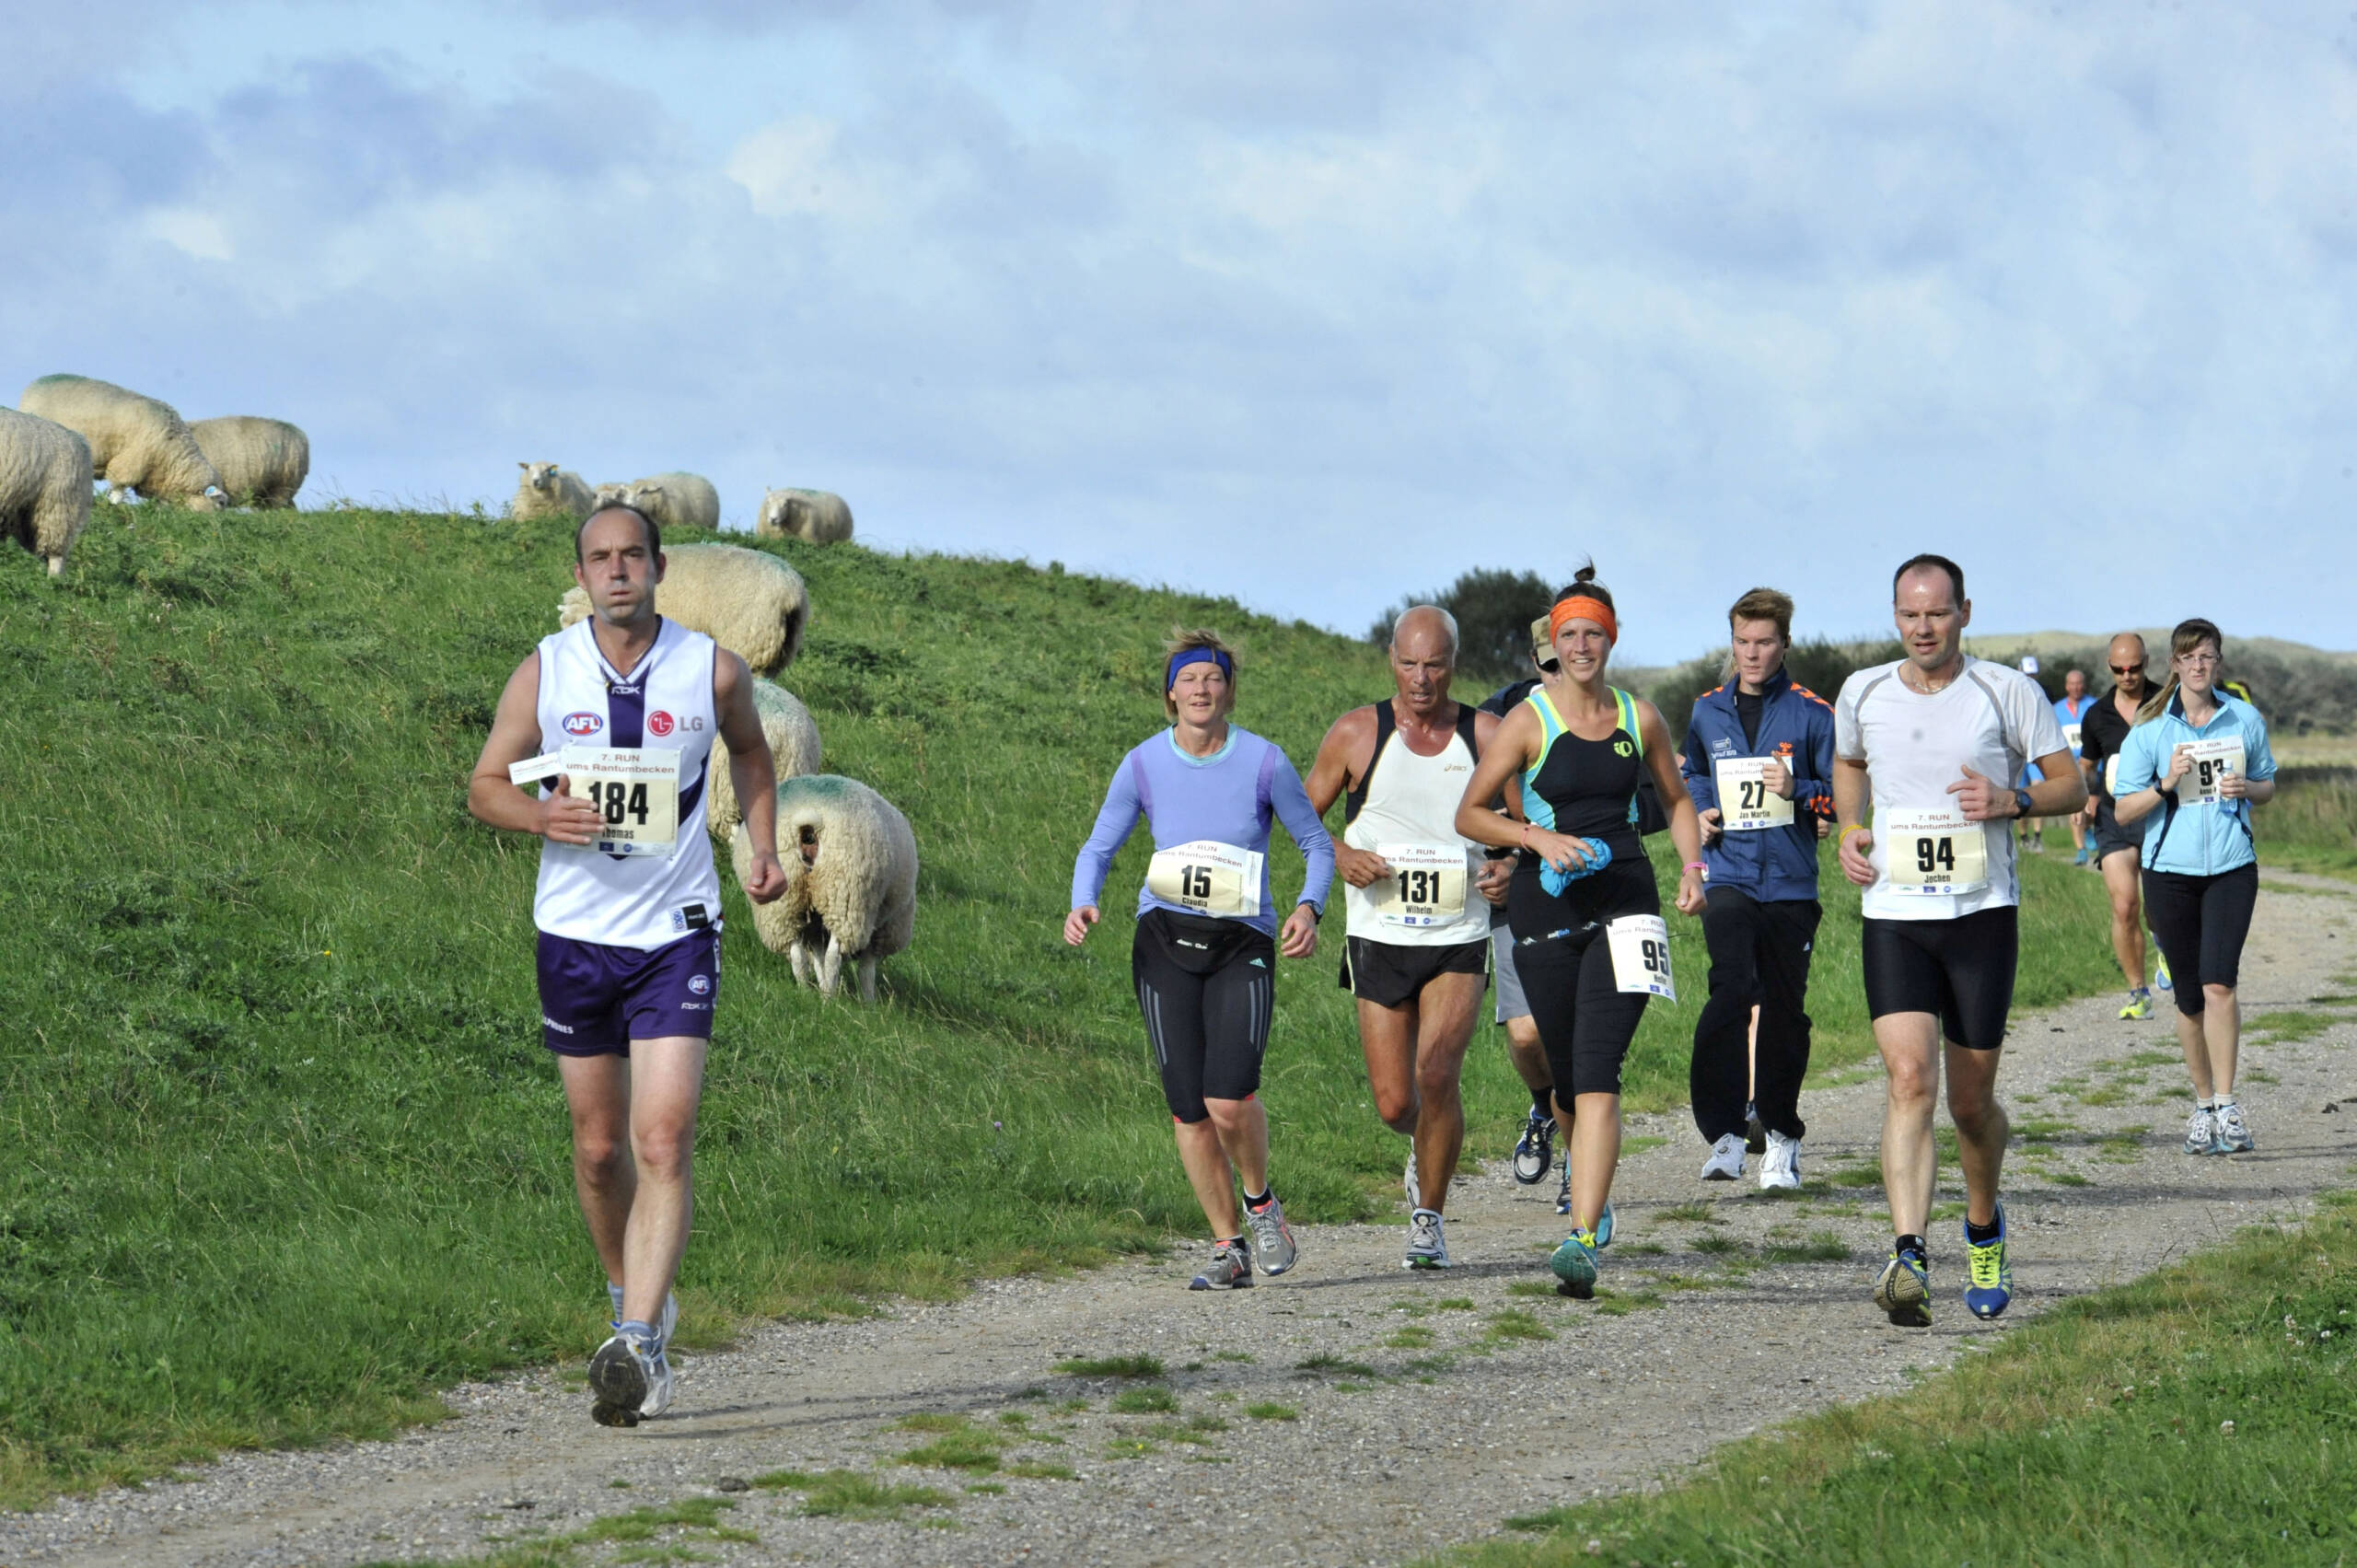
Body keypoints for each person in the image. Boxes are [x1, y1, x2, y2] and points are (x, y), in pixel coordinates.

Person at [467, 503, 788, 1427]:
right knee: (601, 1150)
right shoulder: (546, 667)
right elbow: (484, 785)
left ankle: (640, 1343)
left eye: (633, 555)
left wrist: (762, 843)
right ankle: (628, 1297)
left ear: (658, 566)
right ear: (582, 573)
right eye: (600, 558)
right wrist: (541, 814)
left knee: (662, 1139)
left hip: (677, 933)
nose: (617, 571)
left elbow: (752, 754)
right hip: (574, 933)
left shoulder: (712, 668)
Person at [1834, 555, 2081, 1327]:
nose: (1923, 627)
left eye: (1937, 613)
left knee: (1970, 1105)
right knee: (1910, 1079)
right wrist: (1849, 827)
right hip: (1895, 913)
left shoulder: (2007, 691)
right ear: (1895, 616)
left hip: (1980, 914)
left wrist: (2013, 800)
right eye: (1910, 614)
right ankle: (1909, 1254)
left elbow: (2072, 784)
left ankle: (1982, 1226)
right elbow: (1849, 762)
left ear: (1964, 613)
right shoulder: (1863, 690)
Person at [1454, 567, 1707, 1299]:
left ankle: (1583, 1235)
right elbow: (1470, 812)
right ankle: (1587, 1179)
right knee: (1566, 1074)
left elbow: (1677, 798)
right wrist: (1535, 837)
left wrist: (1693, 866)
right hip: (1544, 910)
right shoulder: (1527, 721)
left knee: (1598, 1069)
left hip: (1627, 905)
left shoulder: (1640, 716)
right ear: (1554, 645)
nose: (1582, 646)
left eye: (1594, 633)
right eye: (1570, 635)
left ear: (1611, 640)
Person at [1065, 631, 1333, 1289]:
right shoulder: (1143, 763)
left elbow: (1316, 844)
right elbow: (1098, 846)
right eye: (1188, 679)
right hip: (1163, 941)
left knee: (1229, 1100)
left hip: (1242, 943)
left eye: (1213, 678)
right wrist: (1083, 901)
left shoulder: (1266, 762)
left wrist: (1308, 909)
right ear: (1170, 694)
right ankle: (1227, 1248)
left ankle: (1261, 1204)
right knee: (1189, 1107)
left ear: (1229, 692)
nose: (1201, 689)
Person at [1306, 607, 1503, 1268]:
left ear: (1454, 664)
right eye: (1410, 663)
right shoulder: (1358, 732)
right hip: (1379, 933)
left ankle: (1429, 1219)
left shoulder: (1485, 733)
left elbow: (1528, 822)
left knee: (1437, 1071)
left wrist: (1509, 868)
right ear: (1391, 659)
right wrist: (1339, 854)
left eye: (1435, 665)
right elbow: (1299, 816)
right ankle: (1425, 1145)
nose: (1421, 679)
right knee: (1396, 1102)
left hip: (1458, 932)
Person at [1679, 588, 1836, 1190]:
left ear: (1785, 643)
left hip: (1791, 884)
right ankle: (1723, 1131)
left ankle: (1780, 1135)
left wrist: (1799, 789)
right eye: (1742, 641)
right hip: (1730, 875)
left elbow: (1842, 797)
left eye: (1764, 642)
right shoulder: (1706, 710)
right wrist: (1701, 809)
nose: (1752, 653)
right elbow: (1693, 773)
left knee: (1783, 1011)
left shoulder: (1812, 713)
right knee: (1730, 989)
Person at [2111, 619, 2277, 1156]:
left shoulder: (2244, 718)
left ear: (2218, 662)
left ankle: (2228, 1106)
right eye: (2189, 657)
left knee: (2219, 984)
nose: (2199, 666)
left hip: (2232, 867)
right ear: (2175, 665)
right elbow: (2124, 809)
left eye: (2207, 656)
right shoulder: (2151, 728)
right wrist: (2164, 784)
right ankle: (2203, 1106)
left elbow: (2268, 785)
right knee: (2188, 997)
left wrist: (2247, 787)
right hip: (2169, 874)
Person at [1477, 615, 1572, 1214]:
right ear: (1537, 663)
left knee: (1579, 1036)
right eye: (1552, 664)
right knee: (1526, 1031)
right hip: (1519, 894)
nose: (1564, 673)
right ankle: (1543, 1107)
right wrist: (1508, 857)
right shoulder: (1497, 717)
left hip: (1591, 894)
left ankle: (1580, 1170)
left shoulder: (1619, 715)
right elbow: (1468, 804)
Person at [2076, 635, 2162, 1018]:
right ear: (2109, 667)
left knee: (2159, 907)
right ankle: (2138, 993)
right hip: (2114, 819)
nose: (2127, 675)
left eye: (2134, 668)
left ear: (2146, 662)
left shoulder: (2167, 702)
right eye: (2119, 669)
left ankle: (2167, 951)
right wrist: (2083, 798)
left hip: (2161, 815)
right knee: (2125, 905)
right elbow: (2087, 765)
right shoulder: (2096, 714)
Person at [2053, 669, 2096, 865]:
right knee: (2074, 807)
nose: (2076, 687)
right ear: (2066, 686)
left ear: (2084, 684)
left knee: (2092, 810)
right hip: (2068, 766)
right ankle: (2080, 850)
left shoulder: (2093, 705)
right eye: (2072, 683)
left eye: (2079, 683)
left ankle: (2087, 827)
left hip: (2092, 764)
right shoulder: (2056, 710)